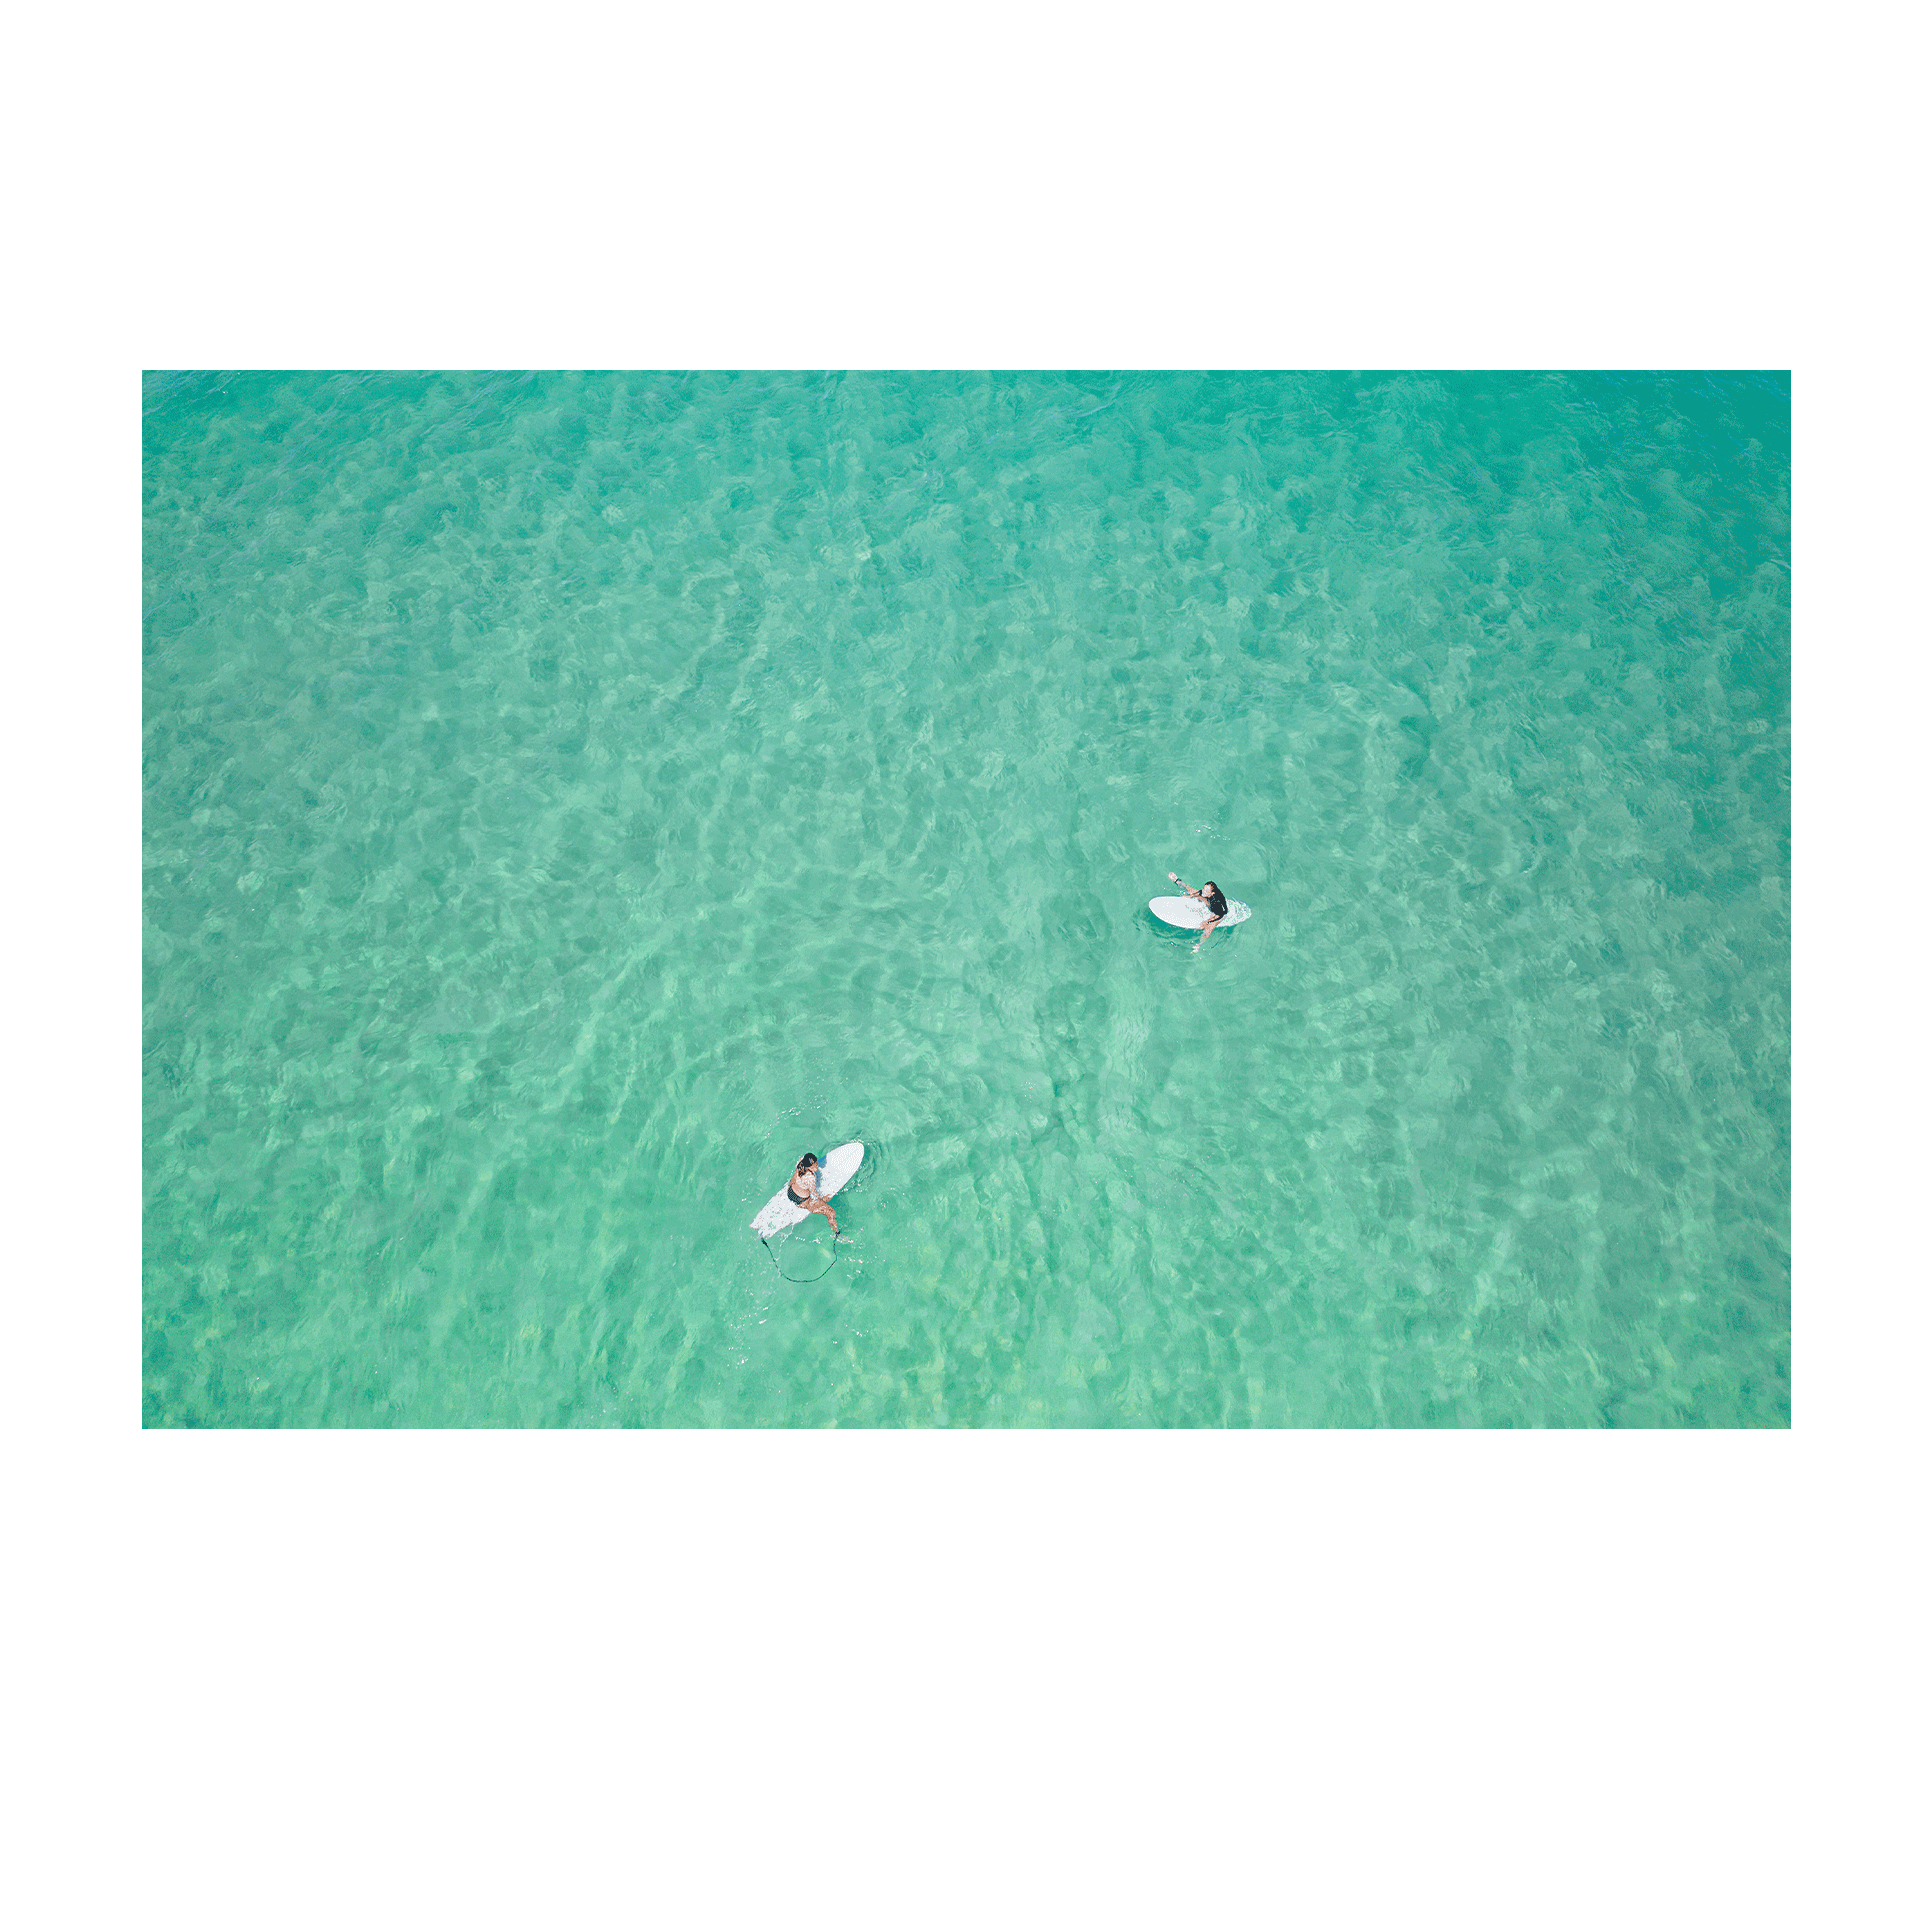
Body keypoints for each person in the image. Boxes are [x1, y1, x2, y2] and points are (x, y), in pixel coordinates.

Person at [1168, 872, 1231, 952]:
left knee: (1207, 929)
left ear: (1212, 893)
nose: (1204, 891)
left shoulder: (1216, 903)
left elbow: (1219, 915)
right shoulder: (1205, 893)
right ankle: (1176, 880)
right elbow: (1199, 893)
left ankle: (1198, 946)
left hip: (1219, 913)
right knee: (1190, 890)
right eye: (1204, 889)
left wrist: (1207, 921)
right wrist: (1190, 897)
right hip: (1208, 900)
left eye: (1206, 891)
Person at [785, 1152, 840, 1235]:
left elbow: (795, 1178)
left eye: (816, 1162)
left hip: (790, 1191)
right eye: (814, 1165)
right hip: (802, 1201)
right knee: (831, 1212)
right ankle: (836, 1233)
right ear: (808, 1166)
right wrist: (824, 1199)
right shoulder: (810, 1177)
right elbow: (814, 1195)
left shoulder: (800, 1162)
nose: (817, 1165)